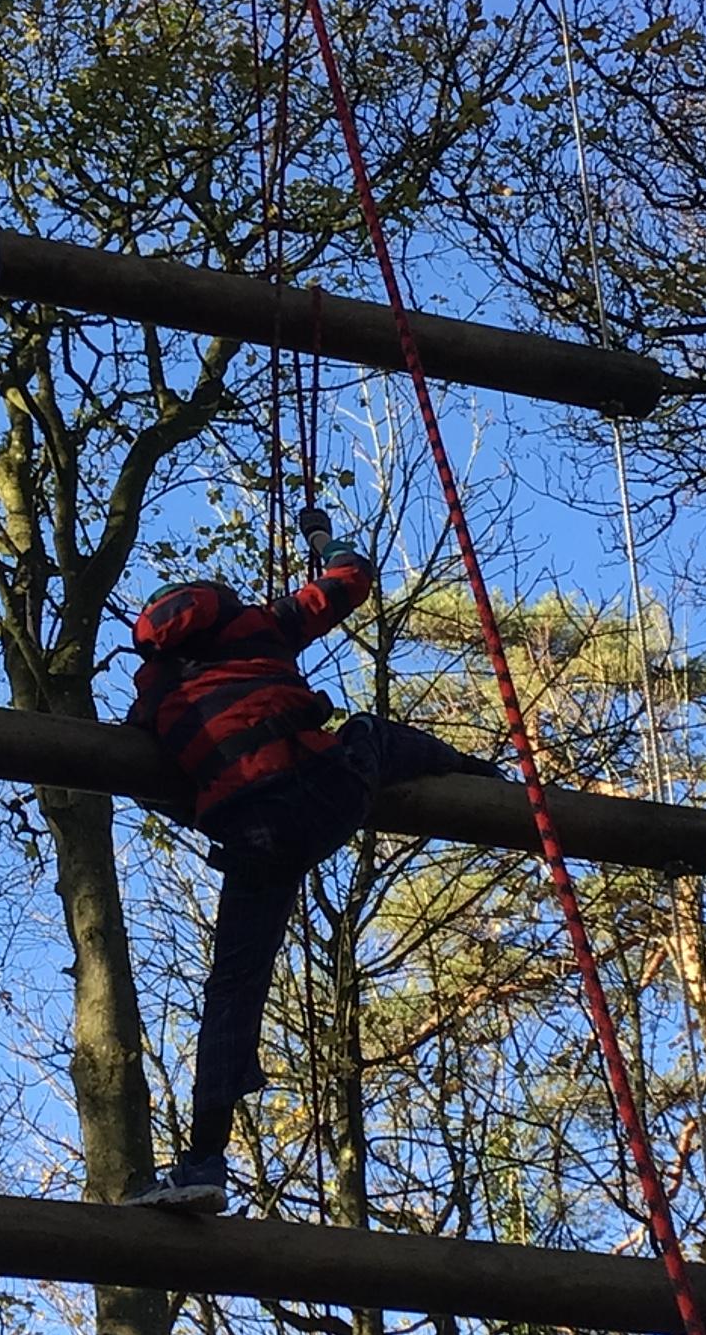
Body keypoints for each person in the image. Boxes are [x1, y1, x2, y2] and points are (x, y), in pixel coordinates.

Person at [125, 512, 496, 1214]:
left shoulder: (155, 692)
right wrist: (323, 539)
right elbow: (351, 579)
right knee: (369, 733)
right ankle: (479, 777)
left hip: (255, 832)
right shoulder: (258, 627)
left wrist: (211, 804)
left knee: (233, 989)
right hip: (326, 793)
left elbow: (153, 786)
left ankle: (204, 1161)